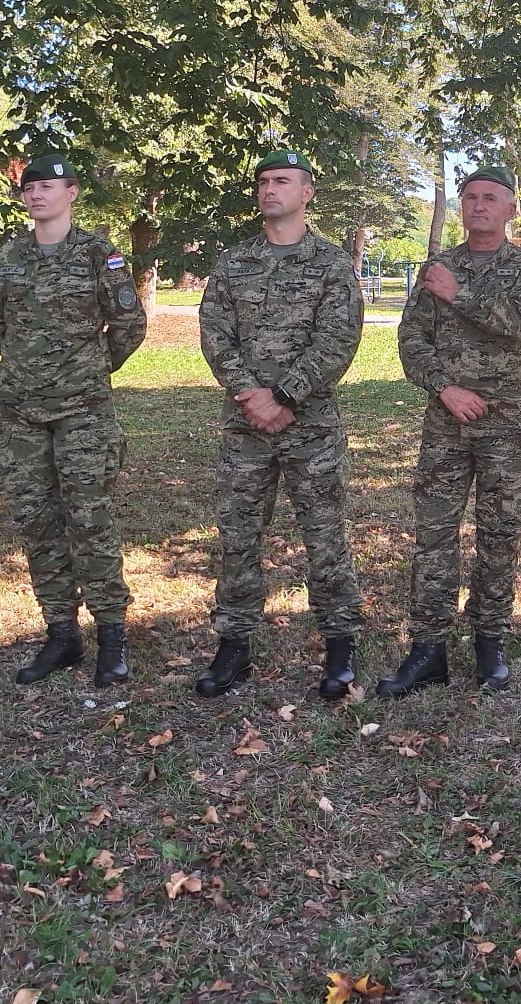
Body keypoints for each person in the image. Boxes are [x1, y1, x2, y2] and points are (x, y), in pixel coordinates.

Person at [196, 149, 366, 701]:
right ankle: (234, 643)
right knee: (238, 536)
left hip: (310, 426)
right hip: (244, 426)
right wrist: (251, 395)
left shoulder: (331, 264)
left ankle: (339, 642)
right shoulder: (233, 263)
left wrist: (286, 395)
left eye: (283, 181)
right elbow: (215, 334)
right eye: (264, 181)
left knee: (325, 536)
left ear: (307, 192)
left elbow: (339, 338)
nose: (270, 189)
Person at [381, 164, 521, 696]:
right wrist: (444, 388)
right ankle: (428, 647)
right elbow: (411, 340)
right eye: (471, 196)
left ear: (510, 208)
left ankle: (489, 641)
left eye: (490, 198)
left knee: (500, 534)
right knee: (433, 535)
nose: (478, 205)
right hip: (445, 424)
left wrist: (459, 294)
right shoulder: (438, 267)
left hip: (505, 426)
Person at [0, 153, 146, 687]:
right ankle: (61, 632)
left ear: (72, 193)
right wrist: (33, 368)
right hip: (19, 411)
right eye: (29, 189)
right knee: (38, 522)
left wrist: (88, 368)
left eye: (47, 187)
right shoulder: (9, 255)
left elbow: (128, 323)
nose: (35, 195)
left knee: (89, 520)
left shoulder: (98, 253)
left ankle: (112, 634)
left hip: (83, 411)